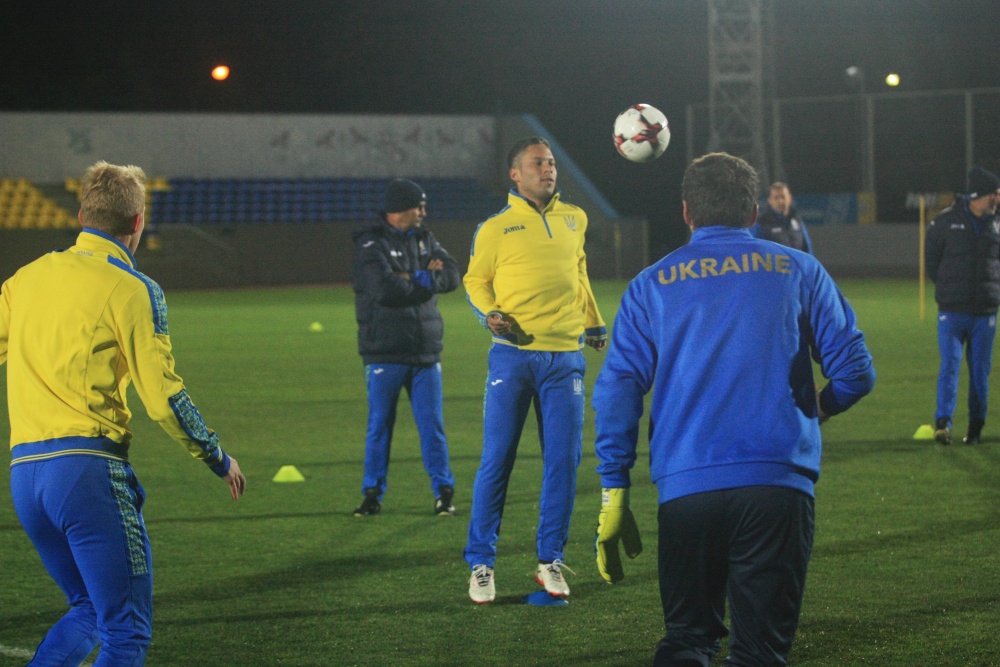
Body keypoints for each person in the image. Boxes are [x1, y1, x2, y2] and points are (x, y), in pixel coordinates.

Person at [592, 152, 875, 666]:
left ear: (686, 212)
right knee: (759, 654)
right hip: (777, 486)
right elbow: (856, 371)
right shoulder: (799, 269)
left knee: (686, 641)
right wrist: (820, 407)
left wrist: (615, 487)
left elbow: (618, 388)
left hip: (687, 488)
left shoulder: (650, 284)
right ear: (753, 212)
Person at [0, 161, 246, 666]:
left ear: (81, 215)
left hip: (26, 476)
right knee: (125, 631)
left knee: (89, 609)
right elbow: (163, 397)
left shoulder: (25, 278)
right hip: (86, 473)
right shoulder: (133, 288)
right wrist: (216, 455)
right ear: (137, 222)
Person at [463, 136, 608, 604]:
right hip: (513, 356)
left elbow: (579, 273)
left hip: (565, 358)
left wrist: (593, 321)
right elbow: (474, 280)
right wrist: (489, 313)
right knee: (497, 459)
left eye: (550, 162)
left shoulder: (575, 218)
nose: (548, 169)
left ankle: (550, 561)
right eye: (537, 163)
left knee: (563, 461)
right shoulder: (494, 228)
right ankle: (481, 563)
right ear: (515, 174)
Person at [351, 178, 460, 517]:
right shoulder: (370, 243)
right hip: (384, 351)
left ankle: (444, 493)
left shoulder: (426, 238)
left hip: (425, 350)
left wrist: (410, 277)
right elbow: (384, 289)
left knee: (433, 427)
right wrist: (426, 278)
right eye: (419, 206)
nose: (424, 212)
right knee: (380, 426)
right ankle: (372, 494)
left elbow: (452, 276)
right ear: (400, 209)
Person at [925, 166, 1000, 445]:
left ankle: (976, 428)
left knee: (980, 371)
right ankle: (943, 424)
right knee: (950, 366)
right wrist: (949, 290)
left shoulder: (997, 223)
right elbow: (932, 262)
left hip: (985, 312)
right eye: (994, 193)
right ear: (980, 195)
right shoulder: (945, 221)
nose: (998, 198)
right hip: (952, 310)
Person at [750, 181, 813, 253]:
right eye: (776, 198)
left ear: (790, 198)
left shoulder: (797, 221)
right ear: (770, 201)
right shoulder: (762, 223)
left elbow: (808, 250)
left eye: (783, 197)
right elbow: (755, 249)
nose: (780, 201)